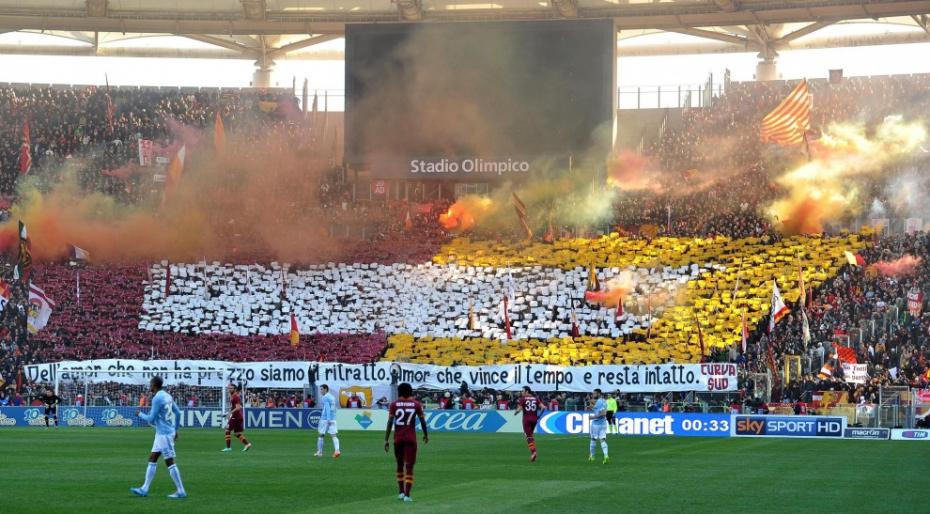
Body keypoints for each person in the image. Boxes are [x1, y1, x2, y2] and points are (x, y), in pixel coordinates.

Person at [131, 376, 187, 499]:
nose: (149, 387)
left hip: (164, 434)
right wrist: (176, 429)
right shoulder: (167, 396)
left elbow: (150, 419)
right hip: (163, 432)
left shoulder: (157, 398)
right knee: (153, 457)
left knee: (169, 462)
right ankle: (144, 489)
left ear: (154, 385)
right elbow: (177, 413)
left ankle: (181, 490)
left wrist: (139, 413)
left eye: (150, 384)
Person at [385, 382, 428, 503]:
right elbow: (423, 421)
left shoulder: (394, 404)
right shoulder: (416, 404)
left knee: (399, 465)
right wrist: (425, 434)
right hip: (410, 439)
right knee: (409, 466)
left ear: (399, 392)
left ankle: (400, 492)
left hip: (398, 439)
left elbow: (390, 422)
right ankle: (407, 495)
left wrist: (386, 439)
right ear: (410, 392)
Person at [514, 386, 546, 462]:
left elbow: (519, 409)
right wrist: (539, 416)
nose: (522, 392)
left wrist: (516, 412)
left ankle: (533, 452)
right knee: (530, 435)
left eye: (523, 391)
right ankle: (533, 449)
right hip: (534, 420)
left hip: (526, 420)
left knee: (528, 437)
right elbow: (543, 407)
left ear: (527, 391)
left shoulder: (523, 399)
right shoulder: (536, 398)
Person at [222, 384, 252, 452]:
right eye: (229, 388)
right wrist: (228, 413)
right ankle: (247, 444)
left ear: (234, 389)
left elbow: (238, 407)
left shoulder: (235, 396)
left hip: (236, 417)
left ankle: (228, 448)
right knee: (237, 433)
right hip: (238, 417)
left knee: (227, 430)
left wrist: (230, 413)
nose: (229, 389)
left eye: (231, 388)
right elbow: (234, 407)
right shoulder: (232, 396)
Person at [315, 384, 341, 458]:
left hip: (325, 418)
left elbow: (327, 408)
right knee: (334, 435)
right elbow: (334, 408)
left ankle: (319, 452)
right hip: (333, 418)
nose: (321, 391)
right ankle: (337, 450)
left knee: (321, 435)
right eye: (320, 389)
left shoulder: (325, 397)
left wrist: (328, 418)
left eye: (322, 389)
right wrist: (331, 418)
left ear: (326, 389)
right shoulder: (332, 397)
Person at [588, 389, 609, 464]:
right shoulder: (604, 401)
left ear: (599, 394)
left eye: (594, 394)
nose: (593, 395)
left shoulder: (599, 401)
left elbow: (603, 413)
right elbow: (599, 409)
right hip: (603, 423)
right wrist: (593, 407)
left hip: (596, 424)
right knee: (602, 440)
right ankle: (606, 455)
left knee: (593, 439)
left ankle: (592, 456)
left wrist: (592, 417)